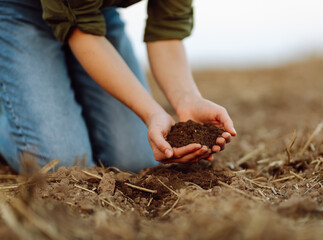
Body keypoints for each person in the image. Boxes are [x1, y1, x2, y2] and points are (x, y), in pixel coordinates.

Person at [0, 0, 236, 173]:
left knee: (134, 160)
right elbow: (81, 34)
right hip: (18, 12)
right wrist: (151, 111)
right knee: (59, 165)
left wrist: (187, 99)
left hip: (94, 14)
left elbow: (166, 30)